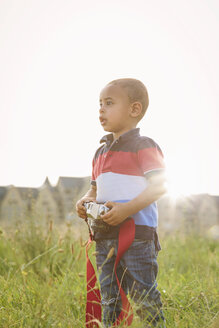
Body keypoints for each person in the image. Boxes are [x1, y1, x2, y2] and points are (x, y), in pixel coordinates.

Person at [76, 78, 166, 328]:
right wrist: (85, 201)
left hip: (137, 236)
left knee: (144, 296)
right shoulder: (100, 153)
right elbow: (93, 190)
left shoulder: (144, 145)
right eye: (100, 104)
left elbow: (160, 185)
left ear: (134, 109)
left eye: (109, 103)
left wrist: (127, 209)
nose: (101, 109)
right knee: (109, 297)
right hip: (104, 235)